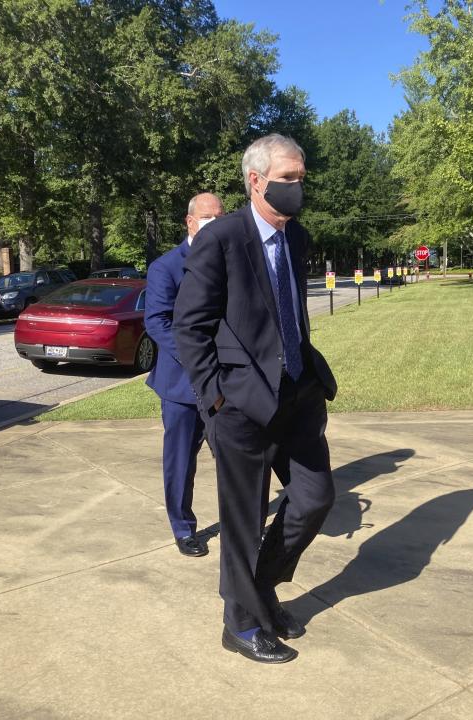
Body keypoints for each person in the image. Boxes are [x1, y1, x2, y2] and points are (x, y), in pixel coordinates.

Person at [173, 134, 338, 664]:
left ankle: (261, 589)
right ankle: (239, 622)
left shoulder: (297, 238)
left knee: (315, 498)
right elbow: (189, 326)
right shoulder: (221, 239)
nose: (296, 187)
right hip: (239, 404)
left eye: (300, 178)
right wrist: (213, 398)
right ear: (256, 180)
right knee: (243, 519)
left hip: (296, 395)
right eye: (287, 178)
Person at [144, 192, 225, 557]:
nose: (215, 222)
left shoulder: (230, 261)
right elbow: (157, 322)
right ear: (190, 222)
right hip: (181, 385)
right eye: (208, 216)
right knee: (180, 461)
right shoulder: (166, 267)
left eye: (220, 216)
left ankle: (242, 526)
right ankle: (183, 528)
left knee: (234, 457)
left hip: (225, 382)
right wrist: (196, 357)